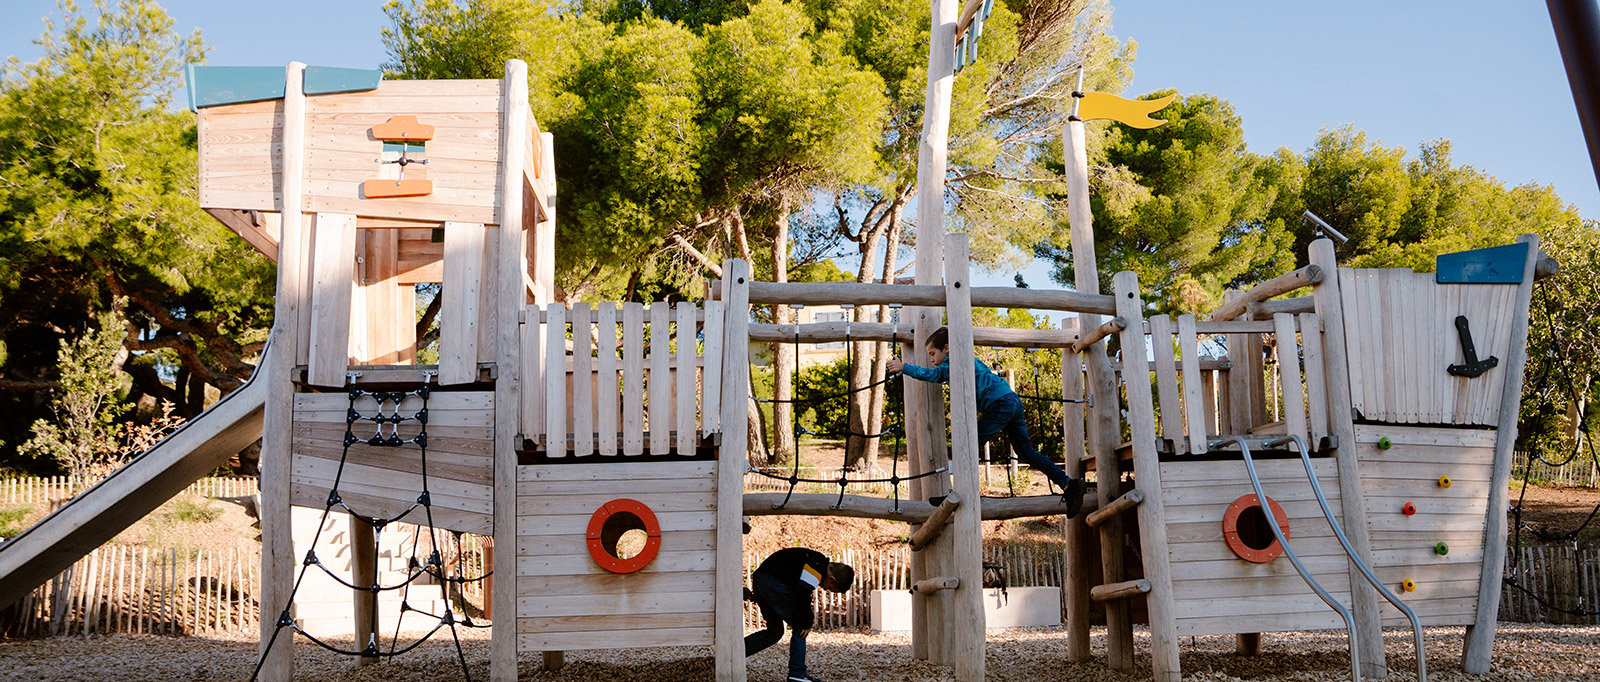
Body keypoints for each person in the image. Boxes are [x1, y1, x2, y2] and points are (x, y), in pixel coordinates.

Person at [887, 326, 1087, 518]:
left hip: (1000, 404)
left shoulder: (953, 360)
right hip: (1011, 400)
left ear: (946, 348)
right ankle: (1069, 484)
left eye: (932, 353)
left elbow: (935, 375)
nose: (931, 359)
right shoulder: (969, 359)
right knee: (1026, 451)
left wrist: (904, 367)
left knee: (970, 445)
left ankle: (960, 494)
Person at [744, 547, 854, 682]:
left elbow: (796, 590)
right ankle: (797, 674)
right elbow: (802, 594)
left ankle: (733, 654)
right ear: (832, 578)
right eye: (829, 588)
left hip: (762, 580)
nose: (824, 588)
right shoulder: (817, 565)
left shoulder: (813, 561)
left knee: (775, 632)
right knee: (800, 624)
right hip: (770, 582)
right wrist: (808, 621)